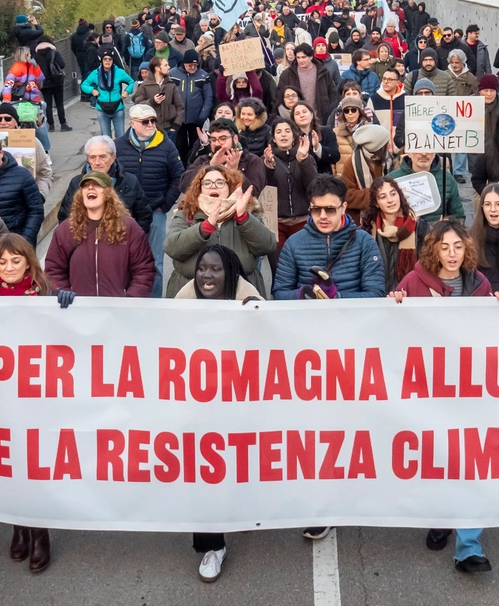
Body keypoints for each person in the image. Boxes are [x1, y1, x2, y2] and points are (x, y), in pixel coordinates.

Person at [386, 218, 494, 573]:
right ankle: (441, 515)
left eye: (458, 247)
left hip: (469, 390)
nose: (451, 254)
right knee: (437, 458)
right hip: (428, 390)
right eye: (444, 247)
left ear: (467, 250)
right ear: (433, 250)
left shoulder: (479, 284)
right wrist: (396, 303)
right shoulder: (414, 282)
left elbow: (494, 335)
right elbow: (394, 330)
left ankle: (469, 546)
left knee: (468, 461)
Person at [0, 233, 72, 573]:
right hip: (1, 397)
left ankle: (40, 532)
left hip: (38, 395)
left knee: (35, 463)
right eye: (2, 262)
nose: (9, 267)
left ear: (29, 262)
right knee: (10, 462)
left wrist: (68, 302)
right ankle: (18, 525)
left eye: (16, 261)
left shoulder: (46, 292)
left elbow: (70, 333)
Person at [178, 244, 260, 581]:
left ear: (231, 274)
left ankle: (243, 511)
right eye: (202, 269)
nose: (207, 276)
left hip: (241, 404)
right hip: (198, 407)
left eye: (215, 269)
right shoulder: (179, 307)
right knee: (205, 472)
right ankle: (212, 546)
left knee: (243, 462)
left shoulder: (250, 304)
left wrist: (258, 317)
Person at [165, 165, 274, 298]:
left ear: (230, 187)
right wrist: (205, 227)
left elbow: (268, 246)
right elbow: (172, 248)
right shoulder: (186, 214)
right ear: (199, 188)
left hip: (240, 293)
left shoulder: (247, 212)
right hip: (191, 293)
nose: (213, 186)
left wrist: (243, 218)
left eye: (220, 182)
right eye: (207, 183)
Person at [273, 174, 386, 300]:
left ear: (343, 208)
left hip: (352, 317)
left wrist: (337, 297)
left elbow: (376, 293)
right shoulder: (293, 243)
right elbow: (279, 293)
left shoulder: (364, 242)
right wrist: (301, 294)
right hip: (308, 316)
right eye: (316, 209)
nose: (322, 216)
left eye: (330, 209)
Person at [44, 170, 156, 297]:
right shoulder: (65, 230)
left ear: (108, 193)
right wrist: (63, 292)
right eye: (86, 185)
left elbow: (144, 271)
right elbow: (53, 270)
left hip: (118, 312)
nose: (90, 187)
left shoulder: (129, 228)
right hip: (78, 310)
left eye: (97, 185)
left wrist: (129, 300)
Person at [116, 104, 185, 295]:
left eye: (153, 120)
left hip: (155, 212)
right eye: (145, 121)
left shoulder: (166, 145)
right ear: (132, 123)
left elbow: (179, 176)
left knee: (155, 263)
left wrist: (165, 204)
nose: (150, 125)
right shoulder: (118, 146)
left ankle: (154, 303)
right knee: (124, 260)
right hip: (125, 214)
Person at [59, 135, 152, 233]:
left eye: (102, 157)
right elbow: (65, 218)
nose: (97, 162)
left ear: (113, 158)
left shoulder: (130, 182)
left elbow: (144, 217)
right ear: (87, 159)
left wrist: (131, 241)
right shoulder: (76, 183)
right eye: (93, 157)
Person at [0, 133, 44, 245]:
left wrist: (25, 240)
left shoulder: (23, 175)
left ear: (1, 153)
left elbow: (36, 211)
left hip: (17, 239)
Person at [361, 176, 429, 292]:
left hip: (411, 296)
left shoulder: (421, 229)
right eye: (383, 197)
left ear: (399, 195)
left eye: (393, 194)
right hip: (379, 296)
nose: (390, 200)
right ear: (376, 203)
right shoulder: (366, 232)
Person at [264, 118, 317, 259]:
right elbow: (266, 190)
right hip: (276, 223)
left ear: (294, 136)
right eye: (279, 132)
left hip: (302, 220)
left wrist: (303, 160)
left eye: (287, 131)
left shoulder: (307, 157)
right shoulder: (266, 160)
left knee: (303, 264)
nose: (283, 135)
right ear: (273, 138)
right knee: (278, 265)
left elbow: (313, 187)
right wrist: (268, 168)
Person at [181, 118, 267, 196]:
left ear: (235, 139)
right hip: (206, 210)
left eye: (223, 139)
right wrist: (210, 165)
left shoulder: (252, 161)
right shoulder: (203, 160)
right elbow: (184, 186)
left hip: (238, 211)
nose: (217, 143)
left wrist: (234, 172)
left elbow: (253, 194)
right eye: (213, 140)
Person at [387, 151, 465, 222]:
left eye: (429, 149)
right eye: (419, 149)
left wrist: (447, 225)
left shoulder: (447, 179)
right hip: (403, 235)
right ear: (409, 153)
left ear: (434, 153)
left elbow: (458, 217)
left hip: (437, 235)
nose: (424, 154)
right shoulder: (391, 179)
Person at [341, 122, 391, 225]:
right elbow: (346, 195)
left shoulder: (387, 160)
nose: (389, 146)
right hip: (359, 220)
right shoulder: (351, 163)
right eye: (386, 144)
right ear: (376, 147)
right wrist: (375, 194)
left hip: (386, 217)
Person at [170, 50, 215, 162]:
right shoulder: (172, 74)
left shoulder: (203, 75)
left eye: (195, 65)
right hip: (178, 118)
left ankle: (194, 165)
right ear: (184, 63)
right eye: (190, 65)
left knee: (196, 145)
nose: (193, 67)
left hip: (196, 119)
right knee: (180, 145)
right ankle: (182, 167)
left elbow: (208, 98)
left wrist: (202, 117)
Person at [1, 46, 49, 150]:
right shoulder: (16, 69)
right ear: (25, 55)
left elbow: (40, 78)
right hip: (30, 100)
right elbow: (8, 85)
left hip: (24, 100)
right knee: (40, 124)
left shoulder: (29, 66)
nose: (31, 56)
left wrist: (6, 100)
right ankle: (45, 150)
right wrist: (6, 99)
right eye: (29, 54)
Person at [278, 43, 339, 124]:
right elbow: (279, 95)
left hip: (320, 118)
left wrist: (329, 110)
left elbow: (333, 92)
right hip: (297, 119)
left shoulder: (322, 72)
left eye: (303, 57)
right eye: (298, 57)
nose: (300, 60)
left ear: (311, 57)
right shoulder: (287, 74)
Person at [80, 51, 134, 139]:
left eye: (110, 59)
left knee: (120, 136)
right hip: (102, 109)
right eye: (105, 59)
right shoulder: (95, 73)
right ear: (102, 61)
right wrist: (92, 90)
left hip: (117, 108)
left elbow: (131, 82)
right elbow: (84, 85)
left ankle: (120, 152)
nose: (107, 61)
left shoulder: (119, 72)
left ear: (113, 61)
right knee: (105, 137)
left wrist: (127, 92)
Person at [133, 56, 184, 135]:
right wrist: (152, 101)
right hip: (150, 129)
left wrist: (175, 126)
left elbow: (180, 106)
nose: (169, 67)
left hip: (169, 129)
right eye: (165, 65)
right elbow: (137, 105)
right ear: (157, 68)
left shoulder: (171, 84)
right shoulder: (145, 85)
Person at [292, 100, 341, 176]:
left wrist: (318, 148)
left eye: (304, 112)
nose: (301, 115)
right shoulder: (292, 137)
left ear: (311, 114)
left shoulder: (326, 132)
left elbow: (335, 156)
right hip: (300, 178)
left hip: (323, 179)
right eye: (297, 114)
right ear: (293, 119)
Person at [33, 38, 70, 132]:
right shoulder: (54, 53)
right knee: (59, 103)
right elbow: (62, 65)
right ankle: (63, 124)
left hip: (43, 83)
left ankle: (51, 125)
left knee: (47, 104)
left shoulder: (36, 56)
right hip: (57, 81)